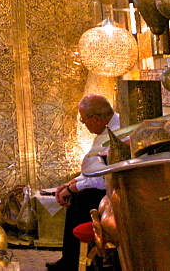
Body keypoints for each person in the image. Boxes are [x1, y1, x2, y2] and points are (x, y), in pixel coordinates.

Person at [46, 94, 121, 271]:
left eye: (83, 119)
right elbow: (93, 166)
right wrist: (71, 183)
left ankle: (76, 262)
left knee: (83, 198)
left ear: (96, 118)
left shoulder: (118, 131)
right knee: (77, 197)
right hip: (104, 185)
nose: (83, 123)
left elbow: (104, 176)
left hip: (115, 191)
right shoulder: (105, 128)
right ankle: (70, 259)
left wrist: (74, 188)